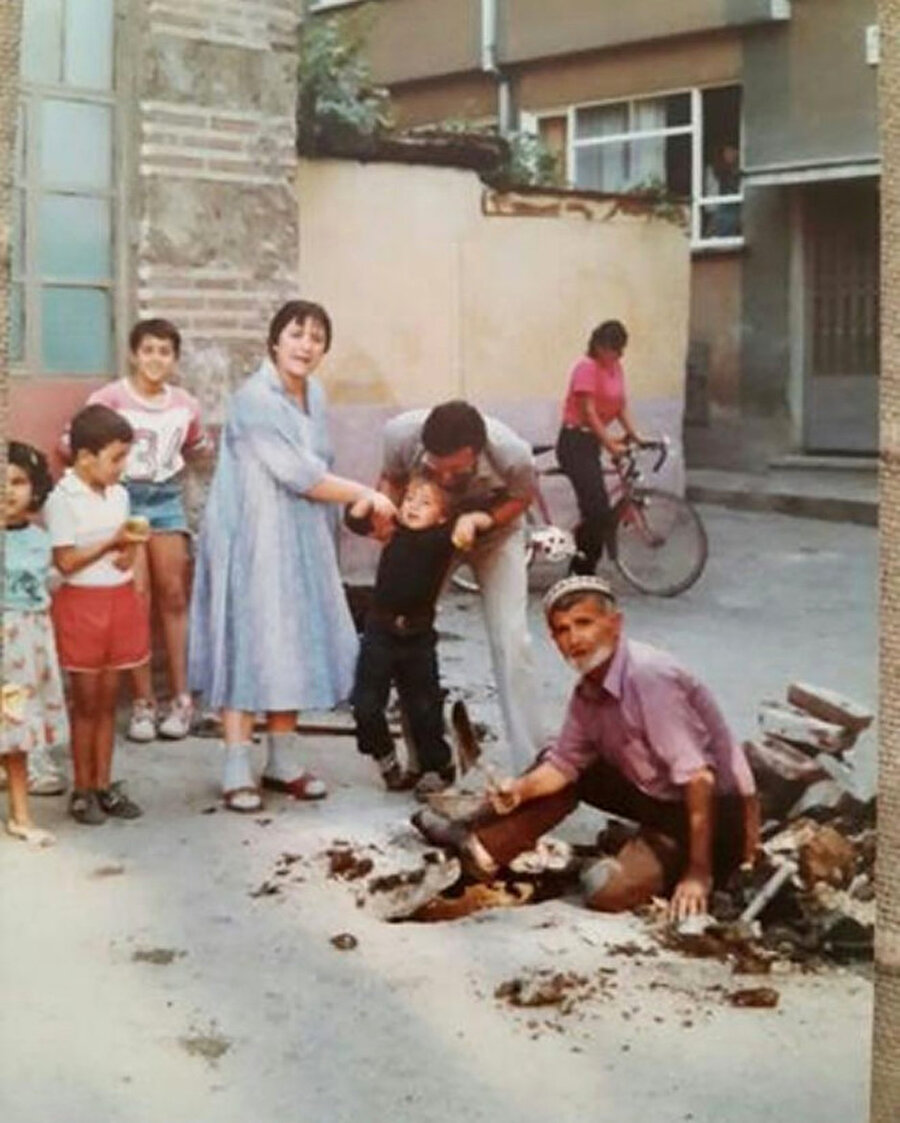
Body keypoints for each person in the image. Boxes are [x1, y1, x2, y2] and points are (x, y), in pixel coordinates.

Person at [413, 575, 760, 920]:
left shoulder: (650, 679)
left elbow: (700, 779)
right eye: (562, 630)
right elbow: (564, 764)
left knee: (603, 891)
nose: (574, 639)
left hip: (710, 812)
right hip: (653, 795)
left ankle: (677, 858)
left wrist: (699, 873)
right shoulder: (588, 690)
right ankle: (481, 847)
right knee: (553, 763)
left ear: (615, 624)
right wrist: (518, 790)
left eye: (584, 623)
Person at [188, 300, 397, 813]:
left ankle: (282, 762)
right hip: (251, 535)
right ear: (275, 341)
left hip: (301, 533)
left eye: (317, 337)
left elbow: (316, 464)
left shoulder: (315, 395)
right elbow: (298, 472)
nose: (306, 345)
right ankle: (237, 766)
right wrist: (363, 495)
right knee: (248, 640)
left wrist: (346, 504)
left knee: (292, 639)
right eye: (297, 334)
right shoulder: (253, 399)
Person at [377, 400, 543, 774]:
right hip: (430, 535)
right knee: (406, 632)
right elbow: (392, 479)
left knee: (512, 639)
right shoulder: (400, 435)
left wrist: (482, 517)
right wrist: (386, 516)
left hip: (495, 535)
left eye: (456, 469)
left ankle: (531, 763)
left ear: (477, 452)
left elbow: (522, 497)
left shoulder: (512, 453)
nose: (447, 478)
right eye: (437, 467)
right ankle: (427, 760)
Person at [65, 318, 211, 743]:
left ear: (174, 360)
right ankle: (144, 702)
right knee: (136, 597)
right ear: (134, 354)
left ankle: (181, 699)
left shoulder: (184, 404)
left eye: (165, 352)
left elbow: (198, 445)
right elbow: (73, 443)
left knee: (173, 594)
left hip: (165, 500)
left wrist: (199, 450)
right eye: (148, 350)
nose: (155, 359)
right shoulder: (110, 398)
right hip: (123, 499)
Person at [347, 474, 491, 798]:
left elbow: (486, 520)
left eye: (425, 503)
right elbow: (355, 520)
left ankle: (438, 767)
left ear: (442, 516)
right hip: (379, 631)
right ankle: (384, 756)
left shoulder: (443, 537)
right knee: (366, 704)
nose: (412, 506)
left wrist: (469, 520)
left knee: (423, 707)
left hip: (417, 637)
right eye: (409, 498)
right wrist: (370, 497)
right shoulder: (391, 530)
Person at [45, 405, 151, 826]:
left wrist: (130, 551)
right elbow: (67, 561)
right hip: (81, 607)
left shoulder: (120, 494)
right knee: (86, 703)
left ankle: (103, 784)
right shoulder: (62, 500)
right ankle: (82, 787)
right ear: (85, 458)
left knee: (108, 702)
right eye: (116, 458)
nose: (123, 467)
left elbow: (125, 547)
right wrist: (112, 543)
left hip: (117, 602)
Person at [1, 442, 68, 845]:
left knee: (18, 733)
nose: (8, 491)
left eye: (18, 482)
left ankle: (21, 815)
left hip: (26, 649)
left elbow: (50, 587)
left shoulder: (41, 541)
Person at [556, 320, 646, 577]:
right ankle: (580, 571)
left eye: (620, 350)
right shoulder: (586, 368)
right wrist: (610, 444)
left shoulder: (615, 367)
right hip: (575, 442)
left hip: (593, 442)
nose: (617, 355)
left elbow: (620, 405)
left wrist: (633, 434)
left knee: (596, 510)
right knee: (597, 510)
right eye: (613, 349)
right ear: (599, 346)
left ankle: (584, 560)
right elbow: (589, 412)